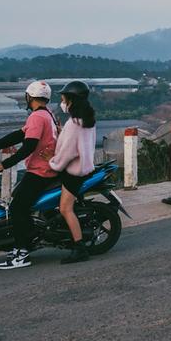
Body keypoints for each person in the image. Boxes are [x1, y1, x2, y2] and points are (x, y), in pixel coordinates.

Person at [0, 81, 58, 270]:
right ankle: (27, 242)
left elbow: (28, 146)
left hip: (40, 171)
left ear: (29, 97)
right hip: (47, 168)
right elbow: (20, 135)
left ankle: (22, 252)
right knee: (22, 204)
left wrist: (3, 165)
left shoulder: (37, 117)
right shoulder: (47, 114)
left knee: (18, 207)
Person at [48, 81, 99, 264]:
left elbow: (68, 152)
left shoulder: (73, 124)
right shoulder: (87, 119)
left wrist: (53, 164)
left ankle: (79, 247)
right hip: (84, 168)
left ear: (72, 100)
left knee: (65, 208)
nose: (62, 100)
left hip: (72, 171)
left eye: (64, 97)